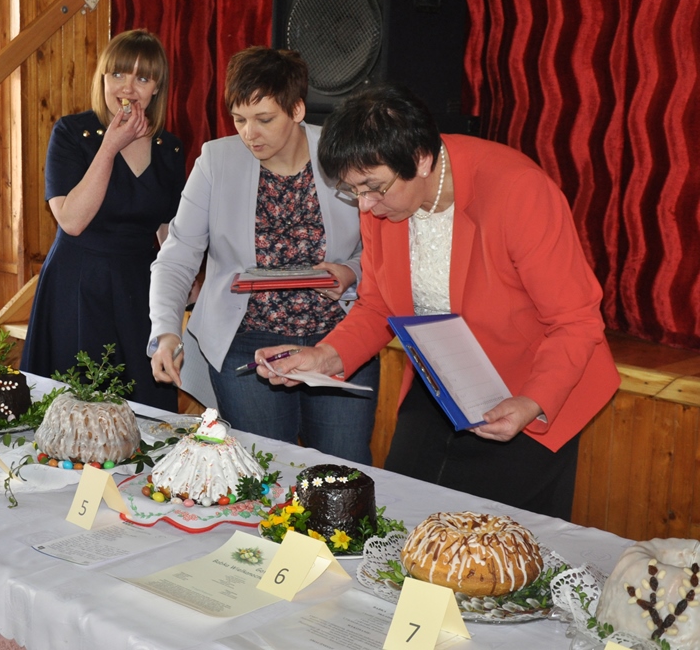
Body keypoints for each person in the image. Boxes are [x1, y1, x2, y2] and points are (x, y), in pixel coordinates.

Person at [256, 82, 620, 520]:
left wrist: (530, 401)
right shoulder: (383, 201)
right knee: (402, 519)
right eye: (354, 191)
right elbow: (377, 306)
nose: (366, 206)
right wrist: (324, 356)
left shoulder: (517, 191)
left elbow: (575, 322)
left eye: (373, 188)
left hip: (530, 387)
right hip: (441, 383)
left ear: (422, 159)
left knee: (496, 542)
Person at [149, 47, 380, 464]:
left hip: (339, 335)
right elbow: (178, 253)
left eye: (264, 119)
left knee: (344, 469)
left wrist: (351, 272)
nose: (249, 133)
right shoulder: (216, 160)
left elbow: (383, 248)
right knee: (263, 470)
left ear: (297, 109)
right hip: (247, 342)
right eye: (239, 119)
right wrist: (166, 330)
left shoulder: (342, 151)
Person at [21, 29, 185, 410]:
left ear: (157, 88)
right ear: (103, 79)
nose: (127, 88)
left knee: (146, 411)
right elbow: (72, 221)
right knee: (74, 411)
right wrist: (110, 146)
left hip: (140, 288)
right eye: (118, 74)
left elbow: (168, 233)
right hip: (78, 285)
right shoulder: (71, 133)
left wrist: (183, 293)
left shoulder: (170, 148)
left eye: (142, 78)